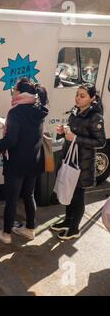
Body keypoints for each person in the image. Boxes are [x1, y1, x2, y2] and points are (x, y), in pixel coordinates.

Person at [0, 78, 49, 244]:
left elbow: (11, 140)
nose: (13, 92)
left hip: (16, 163)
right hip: (34, 161)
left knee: (12, 198)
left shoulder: (16, 112)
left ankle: (6, 233)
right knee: (29, 195)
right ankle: (30, 229)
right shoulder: (39, 109)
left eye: (15, 90)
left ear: (20, 93)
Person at [50, 83, 106, 240]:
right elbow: (73, 133)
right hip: (70, 158)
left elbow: (100, 142)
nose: (78, 98)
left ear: (92, 98)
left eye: (82, 96)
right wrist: (63, 132)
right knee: (68, 191)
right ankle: (67, 221)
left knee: (78, 195)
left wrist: (75, 138)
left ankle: (75, 229)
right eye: (77, 94)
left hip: (83, 163)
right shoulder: (75, 111)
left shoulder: (95, 116)